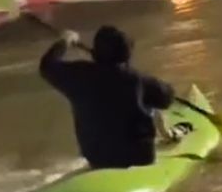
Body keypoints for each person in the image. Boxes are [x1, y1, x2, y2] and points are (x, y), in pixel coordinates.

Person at [40, 25, 176, 169]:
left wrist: (65, 41)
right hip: (140, 158)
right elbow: (168, 98)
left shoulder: (78, 74)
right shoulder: (138, 80)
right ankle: (168, 135)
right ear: (127, 54)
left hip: (97, 159)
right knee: (150, 104)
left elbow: (46, 66)